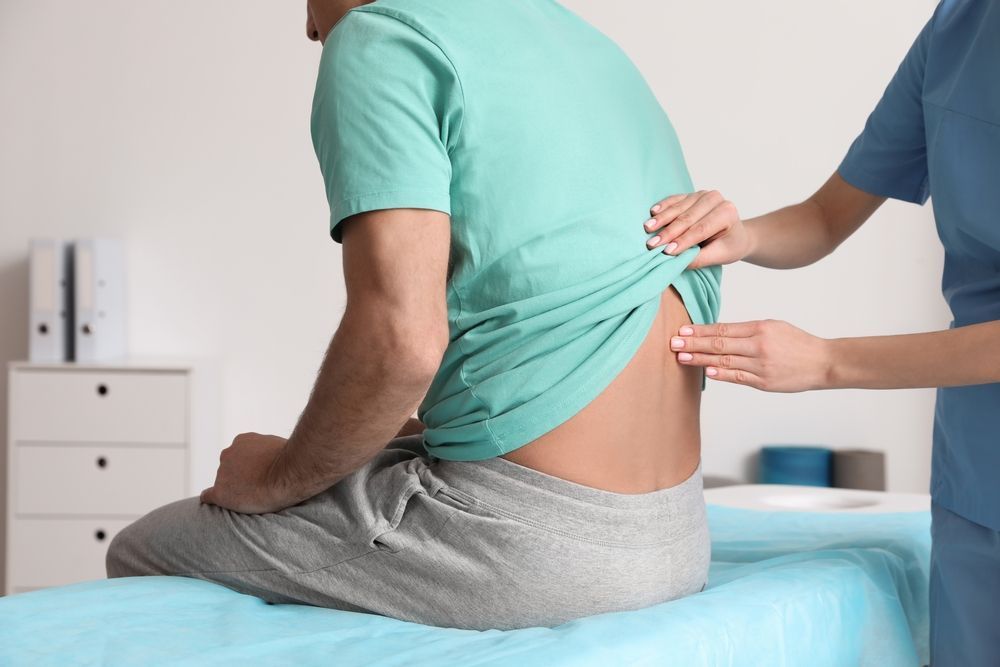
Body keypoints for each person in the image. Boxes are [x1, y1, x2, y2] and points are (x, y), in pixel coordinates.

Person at [106, 0, 721, 631]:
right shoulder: (578, 39)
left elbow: (401, 344)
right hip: (674, 535)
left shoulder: (380, 37)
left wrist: (276, 476)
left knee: (145, 545)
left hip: (531, 553)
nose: (311, 27)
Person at [643, 1, 1000, 663]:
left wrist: (829, 363)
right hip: (977, 465)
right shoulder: (961, 26)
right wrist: (743, 234)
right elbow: (825, 215)